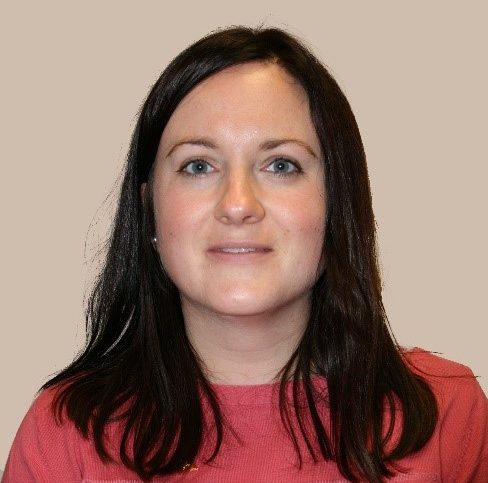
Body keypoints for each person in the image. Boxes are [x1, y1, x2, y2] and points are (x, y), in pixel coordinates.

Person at [2, 26, 487, 483]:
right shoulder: (64, 434)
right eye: (198, 166)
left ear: (337, 201)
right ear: (149, 210)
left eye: (281, 165)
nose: (237, 205)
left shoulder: (448, 414)